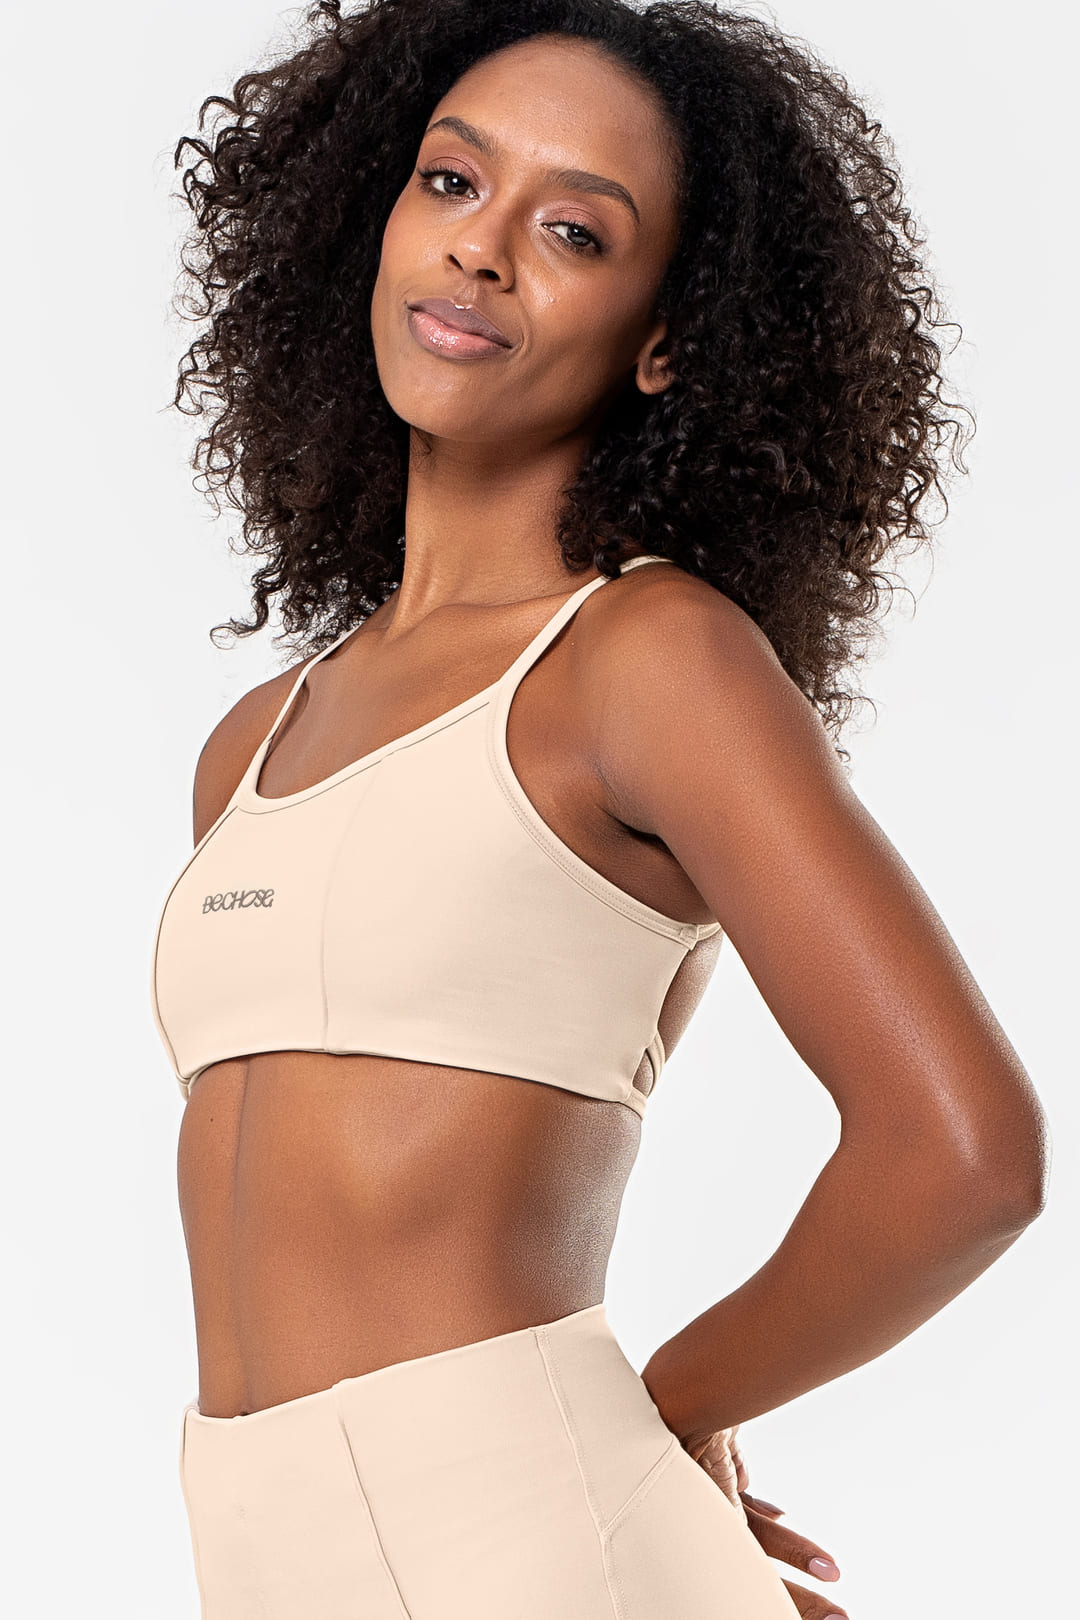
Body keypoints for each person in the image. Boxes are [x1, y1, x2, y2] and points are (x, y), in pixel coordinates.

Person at [151, 1, 1048, 1615]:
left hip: (529, 1543)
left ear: (666, 340)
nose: (481, 247)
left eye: (574, 230)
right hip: (263, 1555)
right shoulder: (253, 742)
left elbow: (963, 1156)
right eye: (449, 182)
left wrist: (663, 1417)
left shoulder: (644, 662)